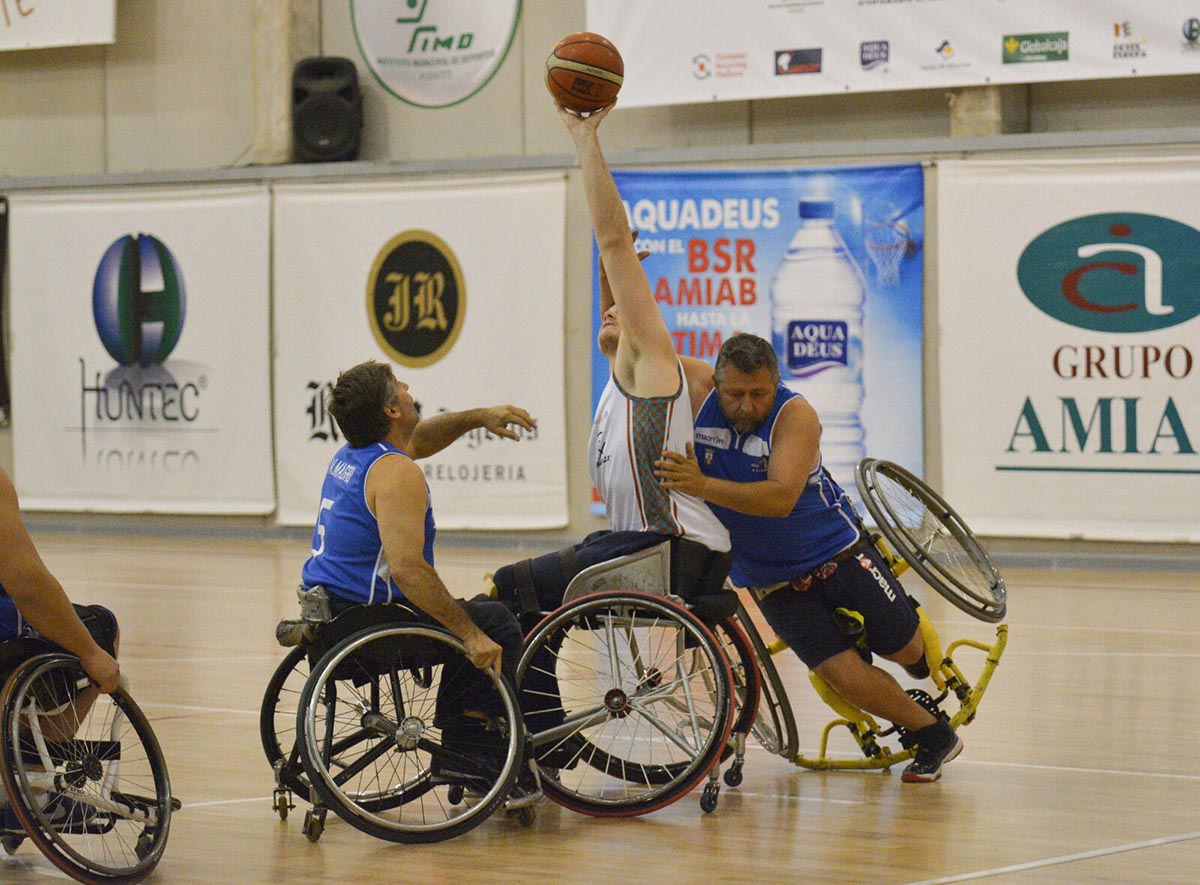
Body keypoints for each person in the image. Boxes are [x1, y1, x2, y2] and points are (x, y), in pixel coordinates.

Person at [654, 333, 962, 783]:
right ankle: (932, 734)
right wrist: (610, 270)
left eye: (758, 394)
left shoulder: (795, 415)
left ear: (776, 383)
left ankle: (909, 639)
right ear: (715, 382)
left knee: (906, 650)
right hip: (768, 579)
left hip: (835, 551)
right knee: (844, 676)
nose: (745, 406)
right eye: (735, 394)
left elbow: (779, 498)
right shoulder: (695, 388)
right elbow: (628, 345)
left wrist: (701, 485)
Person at [299, 359, 536, 787]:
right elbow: (408, 570)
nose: (407, 386)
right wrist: (470, 635)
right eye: (399, 385)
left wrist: (480, 417)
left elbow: (421, 438)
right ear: (391, 409)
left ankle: (466, 739)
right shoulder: (396, 474)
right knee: (493, 623)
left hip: (332, 617)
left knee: (477, 612)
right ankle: (470, 752)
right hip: (370, 627)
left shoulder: (355, 455)